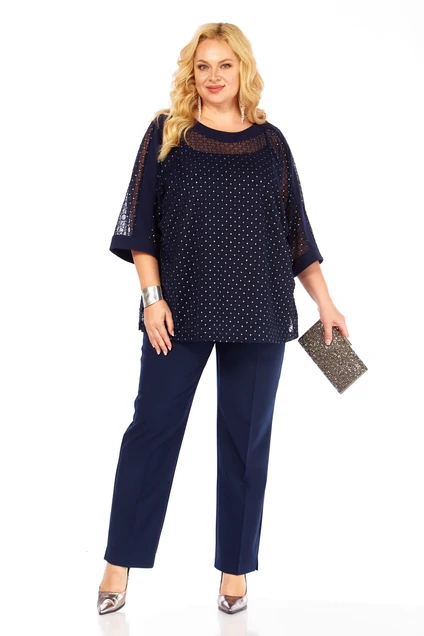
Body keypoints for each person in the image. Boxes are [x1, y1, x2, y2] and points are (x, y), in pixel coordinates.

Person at [97, 21, 349, 616]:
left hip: (261, 313)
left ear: (243, 70)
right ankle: (118, 562)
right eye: (203, 65)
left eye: (225, 65)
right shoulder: (167, 133)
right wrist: (151, 298)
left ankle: (235, 572)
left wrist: (326, 303)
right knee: (151, 432)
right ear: (192, 73)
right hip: (176, 313)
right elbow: (140, 226)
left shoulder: (272, 142)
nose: (214, 76)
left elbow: (297, 234)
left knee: (246, 442)